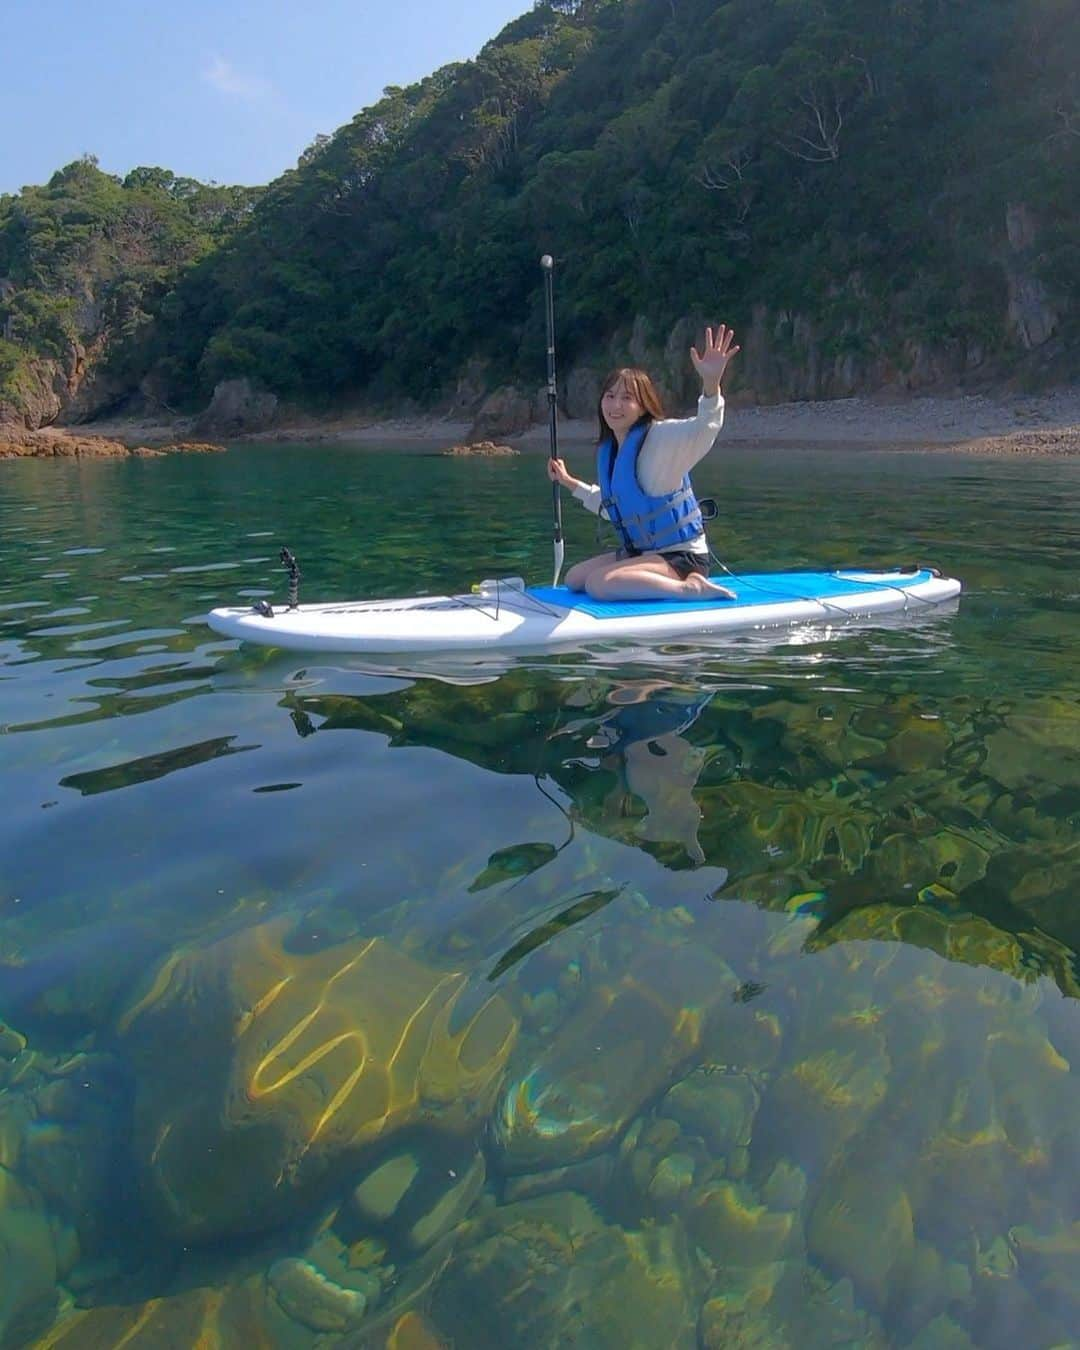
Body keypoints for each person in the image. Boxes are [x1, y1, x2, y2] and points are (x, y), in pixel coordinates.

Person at [546, 324, 739, 600]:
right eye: (610, 396)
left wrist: (711, 385)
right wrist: (569, 483)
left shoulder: (661, 437)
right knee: (575, 578)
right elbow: (616, 508)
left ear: (643, 405)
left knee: (598, 584)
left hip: (681, 557)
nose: (616, 406)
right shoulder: (612, 449)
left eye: (627, 398)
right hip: (645, 553)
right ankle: (642, 578)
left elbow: (705, 428)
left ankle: (690, 588)